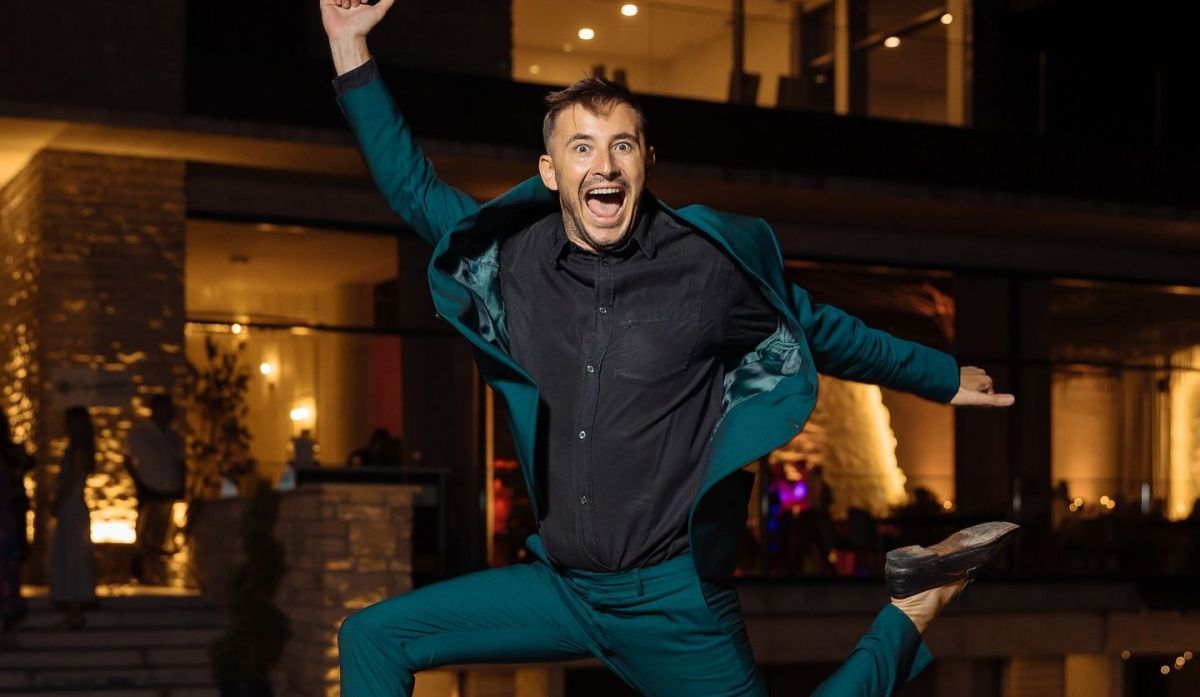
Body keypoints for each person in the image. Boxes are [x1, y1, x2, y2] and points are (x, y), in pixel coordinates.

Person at [321, 1, 1017, 694]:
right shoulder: (514, 261)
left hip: (670, 601)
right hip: (563, 588)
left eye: (622, 145)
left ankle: (910, 609)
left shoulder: (706, 268)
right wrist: (350, 47)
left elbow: (820, 329)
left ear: (646, 161)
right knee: (373, 635)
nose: (605, 165)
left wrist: (941, 376)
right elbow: (413, 187)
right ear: (551, 171)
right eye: (582, 147)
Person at [123, 394, 185, 585]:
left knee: (162, 533)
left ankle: (158, 572)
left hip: (169, 489)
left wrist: (181, 485)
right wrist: (139, 482)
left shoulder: (174, 437)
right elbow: (127, 459)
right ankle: (141, 572)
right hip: (148, 488)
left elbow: (180, 463)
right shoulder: (139, 433)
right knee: (145, 534)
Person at [50, 406, 98, 629]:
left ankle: (76, 609)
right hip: (70, 509)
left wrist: (57, 503)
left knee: (73, 558)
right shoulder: (74, 450)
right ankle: (72, 610)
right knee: (69, 557)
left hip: (72, 509)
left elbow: (70, 482)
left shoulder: (79, 452)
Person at [0, 411, 34, 642]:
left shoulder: (13, 454)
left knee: (8, 570)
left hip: (7, 519)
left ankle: (6, 628)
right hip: (8, 519)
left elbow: (26, 467)